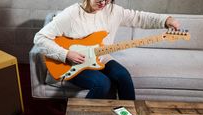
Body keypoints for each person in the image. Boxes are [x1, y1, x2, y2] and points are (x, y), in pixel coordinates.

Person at [33, 0, 180, 100]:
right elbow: (40, 38)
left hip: (101, 57)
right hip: (74, 63)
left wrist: (165, 20)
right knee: (102, 83)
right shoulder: (70, 14)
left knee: (123, 76)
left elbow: (139, 17)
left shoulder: (112, 10)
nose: (103, 3)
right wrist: (66, 54)